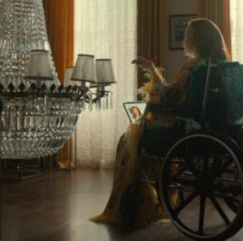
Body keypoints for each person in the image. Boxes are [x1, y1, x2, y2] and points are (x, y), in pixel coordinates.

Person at [90, 18, 230, 227]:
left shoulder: (194, 67)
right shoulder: (222, 66)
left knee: (127, 139)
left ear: (197, 39)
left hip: (184, 129)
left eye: (187, 35)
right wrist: (153, 71)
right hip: (215, 128)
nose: (184, 40)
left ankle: (131, 207)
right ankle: (150, 202)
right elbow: (175, 93)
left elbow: (167, 96)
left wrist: (153, 79)